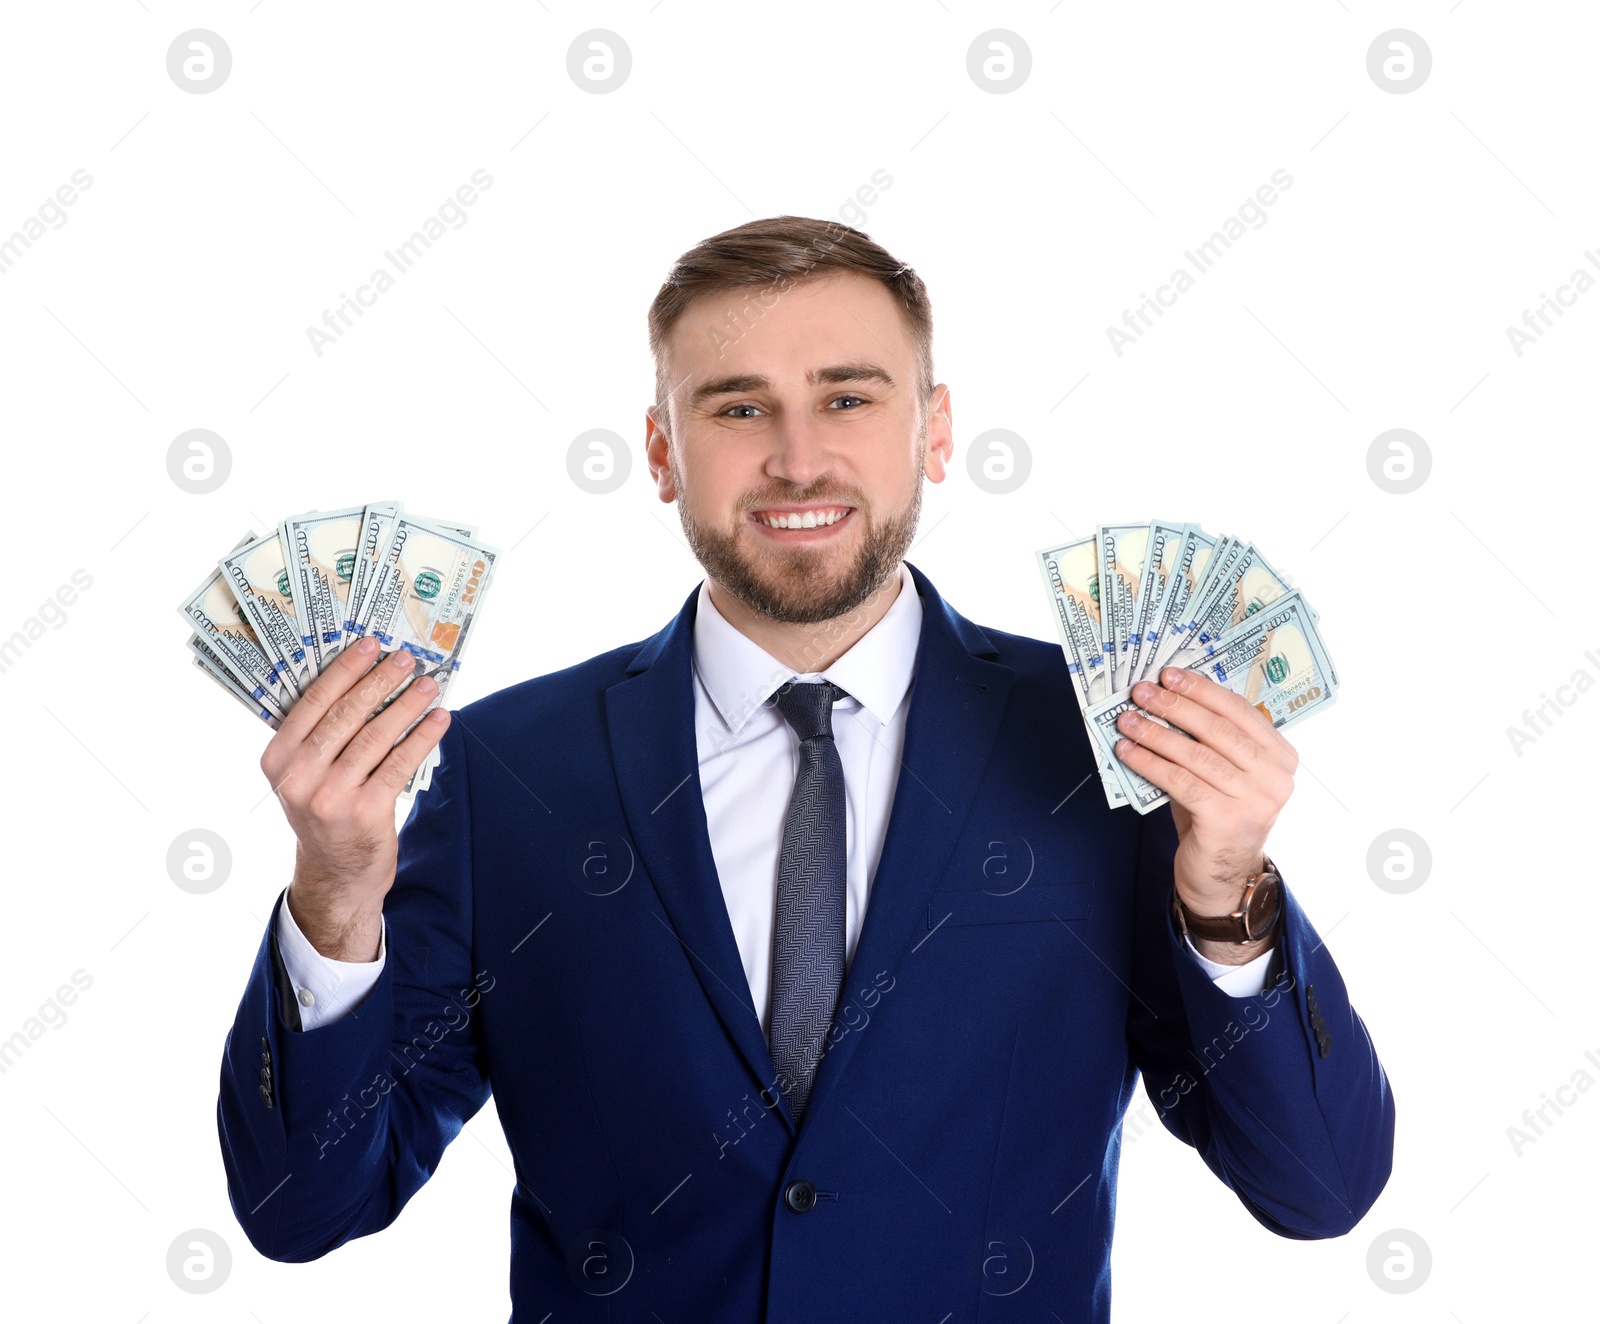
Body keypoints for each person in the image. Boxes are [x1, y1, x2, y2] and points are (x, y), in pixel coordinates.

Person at [217, 216, 1394, 1321]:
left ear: (933, 428)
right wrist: (335, 889)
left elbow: (1317, 1189)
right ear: (661, 451)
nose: (796, 457)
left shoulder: (1112, 749)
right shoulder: (505, 771)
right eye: (737, 408)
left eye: (847, 395)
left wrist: (1226, 887)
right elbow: (301, 1209)